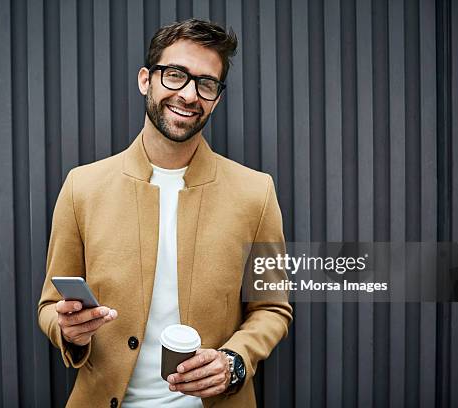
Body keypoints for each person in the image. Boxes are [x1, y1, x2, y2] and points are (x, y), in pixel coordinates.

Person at [38, 19, 292, 408]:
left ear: (217, 98)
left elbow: (272, 308)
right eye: (175, 75)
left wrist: (234, 361)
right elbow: (49, 307)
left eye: (206, 83)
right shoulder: (82, 187)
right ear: (146, 80)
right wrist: (68, 329)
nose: (189, 94)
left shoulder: (256, 192)